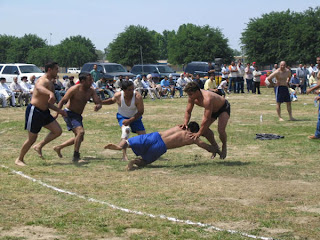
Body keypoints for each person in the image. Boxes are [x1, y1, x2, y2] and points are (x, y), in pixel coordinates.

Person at [104, 122, 216, 170]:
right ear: (195, 131)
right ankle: (134, 161)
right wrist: (216, 150)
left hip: (155, 136)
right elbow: (205, 146)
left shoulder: (180, 127)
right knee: (145, 162)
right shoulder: (192, 137)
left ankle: (119, 147)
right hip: (161, 146)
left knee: (130, 142)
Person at [15, 62, 67, 166]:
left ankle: (39, 146)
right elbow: (38, 87)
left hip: (44, 112)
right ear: (49, 70)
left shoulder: (51, 83)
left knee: (57, 131)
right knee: (32, 138)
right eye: (56, 69)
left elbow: (48, 104)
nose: (58, 71)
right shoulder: (42, 80)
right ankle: (19, 159)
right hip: (35, 111)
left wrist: (59, 111)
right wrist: (50, 93)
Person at [53, 72, 102, 162]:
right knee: (80, 132)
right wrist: (57, 113)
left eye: (91, 79)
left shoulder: (91, 90)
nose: (92, 81)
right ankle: (76, 157)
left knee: (80, 137)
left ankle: (59, 147)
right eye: (89, 80)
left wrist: (98, 106)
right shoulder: (74, 89)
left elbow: (97, 102)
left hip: (78, 115)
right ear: (82, 81)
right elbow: (62, 101)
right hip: (69, 114)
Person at [182, 82, 230, 159]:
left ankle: (224, 146)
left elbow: (206, 118)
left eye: (191, 94)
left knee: (221, 130)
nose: (189, 96)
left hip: (223, 108)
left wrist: (199, 133)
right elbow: (188, 111)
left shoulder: (207, 98)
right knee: (204, 129)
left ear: (197, 92)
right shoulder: (192, 98)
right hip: (212, 110)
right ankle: (215, 147)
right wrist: (185, 123)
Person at [101, 80, 146, 161]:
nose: (132, 91)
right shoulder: (118, 95)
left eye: (133, 89)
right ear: (123, 90)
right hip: (122, 116)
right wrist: (100, 102)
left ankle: (143, 154)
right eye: (129, 89)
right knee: (126, 130)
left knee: (143, 138)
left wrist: (130, 120)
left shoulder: (137, 97)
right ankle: (124, 156)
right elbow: (112, 100)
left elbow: (140, 112)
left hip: (135, 117)